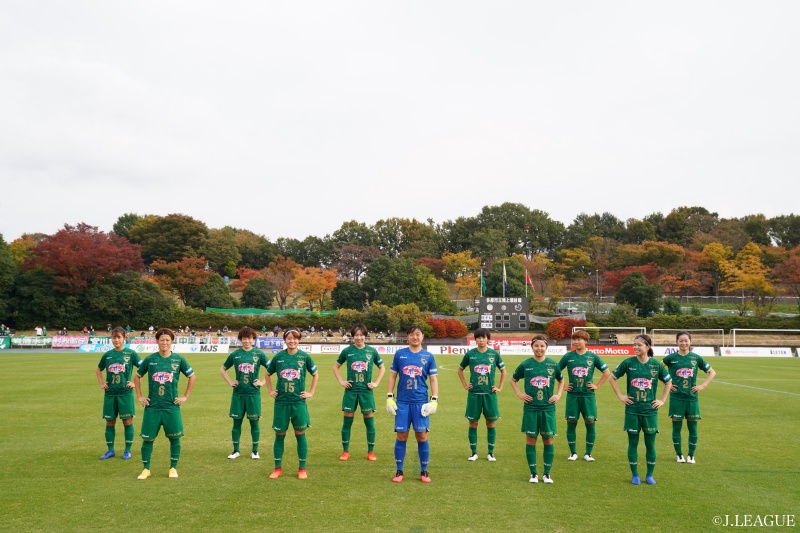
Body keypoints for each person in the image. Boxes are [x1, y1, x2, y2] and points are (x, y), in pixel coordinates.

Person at [608, 334, 671, 485]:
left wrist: (662, 400)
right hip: (632, 409)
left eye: (639, 345)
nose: (635, 347)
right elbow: (612, 377)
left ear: (647, 347)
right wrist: (621, 396)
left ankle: (649, 475)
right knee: (633, 443)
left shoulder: (656, 365)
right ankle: (635, 474)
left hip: (650, 410)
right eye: (634, 344)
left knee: (650, 444)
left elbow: (668, 382)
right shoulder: (628, 363)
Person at [134, 328, 196, 480]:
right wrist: (140, 396)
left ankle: (173, 468)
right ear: (157, 341)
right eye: (162, 340)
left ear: (172, 341)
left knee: (174, 438)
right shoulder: (150, 359)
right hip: (153, 407)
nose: (164, 342)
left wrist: (185, 396)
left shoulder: (178, 360)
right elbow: (137, 376)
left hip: (171, 406)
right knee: (147, 439)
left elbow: (192, 376)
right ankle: (146, 469)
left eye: (167, 340)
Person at [386, 324, 438, 483]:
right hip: (402, 402)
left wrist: (434, 400)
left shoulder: (428, 357)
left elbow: (433, 379)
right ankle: (399, 471)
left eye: (418, 334)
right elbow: (392, 376)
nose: (415, 337)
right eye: (412, 334)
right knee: (401, 435)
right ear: (407, 337)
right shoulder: (399, 355)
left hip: (420, 402)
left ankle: (424, 471)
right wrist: (389, 396)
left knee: (421, 435)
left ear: (422, 337)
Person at [509, 335, 564, 484]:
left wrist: (558, 394)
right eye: (536, 346)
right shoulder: (526, 364)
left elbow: (561, 379)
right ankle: (533, 473)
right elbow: (513, 380)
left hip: (548, 408)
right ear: (532, 347)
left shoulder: (553, 365)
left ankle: (547, 474)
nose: (539, 348)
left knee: (548, 439)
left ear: (546, 347)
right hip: (531, 408)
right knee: (531, 439)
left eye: (542, 346)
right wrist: (520, 394)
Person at [265, 328, 319, 480]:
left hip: (298, 403)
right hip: (281, 403)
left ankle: (302, 469)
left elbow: (315, 374)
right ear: (285, 340)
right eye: (289, 338)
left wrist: (311, 392)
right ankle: (277, 468)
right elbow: (267, 374)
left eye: (295, 338)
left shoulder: (304, 357)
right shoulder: (279, 357)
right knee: (279, 435)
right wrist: (270, 390)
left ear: (299, 340)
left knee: (300, 435)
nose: (292, 341)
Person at [333, 324, 386, 461]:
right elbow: (336, 367)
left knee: (369, 423)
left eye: (362, 335)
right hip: (350, 392)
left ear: (365, 336)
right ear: (353, 336)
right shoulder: (347, 351)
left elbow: (382, 367)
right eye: (356, 335)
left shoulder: (371, 351)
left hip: (366, 392)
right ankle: (345, 451)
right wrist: (341, 381)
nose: (359, 337)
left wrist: (376, 383)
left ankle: (370, 452)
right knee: (347, 423)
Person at [662, 331, 716, 464]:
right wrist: (668, 383)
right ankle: (679, 454)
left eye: (686, 340)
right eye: (681, 340)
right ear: (677, 342)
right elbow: (657, 369)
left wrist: (702, 386)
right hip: (676, 398)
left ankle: (691, 455)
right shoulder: (670, 358)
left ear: (690, 342)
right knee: (676, 428)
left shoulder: (696, 358)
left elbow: (712, 372)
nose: (684, 343)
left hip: (692, 398)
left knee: (693, 428)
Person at [558, 329, 611, 462]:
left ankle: (588, 453)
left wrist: (597, 385)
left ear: (585, 341)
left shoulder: (592, 357)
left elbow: (607, 372)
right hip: (572, 396)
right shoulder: (568, 356)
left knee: (590, 422)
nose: (576, 342)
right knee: (571, 423)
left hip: (588, 396)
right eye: (574, 339)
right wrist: (563, 386)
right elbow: (555, 372)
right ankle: (573, 453)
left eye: (579, 339)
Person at [219, 326, 270, 460]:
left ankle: (255, 451)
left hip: (253, 394)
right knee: (236, 423)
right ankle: (236, 450)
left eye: (249, 338)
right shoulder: (235, 354)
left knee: (254, 423)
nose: (247, 341)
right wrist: (230, 382)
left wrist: (263, 382)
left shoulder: (259, 354)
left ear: (253, 339)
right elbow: (223, 369)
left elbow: (272, 369)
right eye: (244, 338)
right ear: (241, 339)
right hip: (238, 394)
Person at [457, 328, 506, 461]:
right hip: (474, 394)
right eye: (478, 337)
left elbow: (503, 371)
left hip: (490, 394)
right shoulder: (470, 354)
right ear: (475, 339)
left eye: (483, 337)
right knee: (473, 423)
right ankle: (474, 452)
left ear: (488, 339)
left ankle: (490, 453)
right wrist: (465, 385)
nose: (481, 340)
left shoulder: (494, 354)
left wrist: (499, 387)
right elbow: (460, 369)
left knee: (490, 423)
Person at [96, 327, 142, 460]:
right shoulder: (108, 355)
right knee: (110, 422)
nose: (116, 340)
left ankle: (127, 450)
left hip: (125, 393)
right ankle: (110, 450)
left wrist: (134, 383)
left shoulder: (131, 354)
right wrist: (102, 384)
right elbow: (98, 370)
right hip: (110, 394)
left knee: (127, 422)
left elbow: (143, 368)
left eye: (119, 337)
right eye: (114, 338)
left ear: (124, 338)